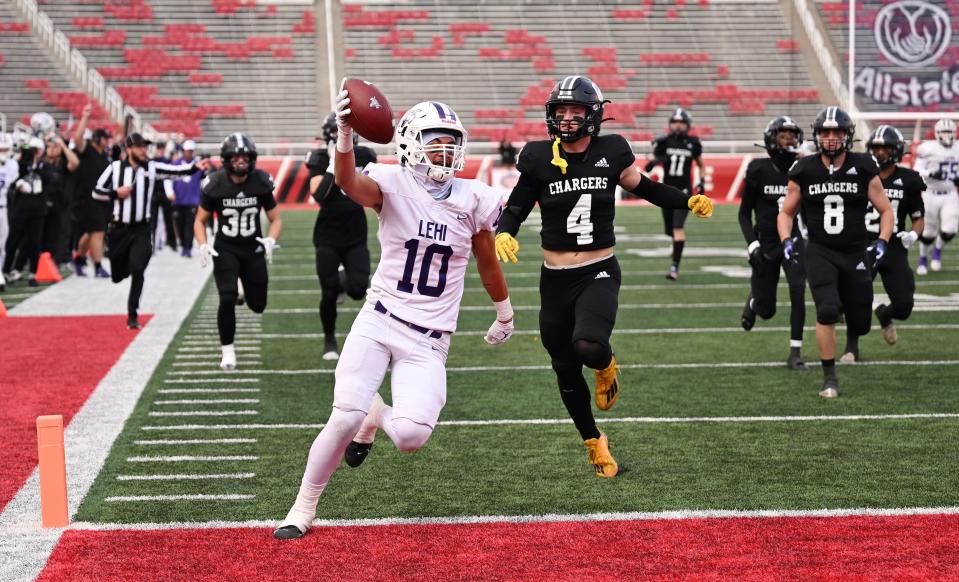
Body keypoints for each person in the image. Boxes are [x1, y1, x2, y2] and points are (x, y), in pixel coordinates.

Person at [274, 93, 514, 539]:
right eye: (434, 141)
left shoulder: (473, 197)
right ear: (408, 143)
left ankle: (376, 412)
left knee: (409, 436)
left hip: (429, 337)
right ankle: (302, 508)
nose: (444, 151)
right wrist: (345, 134)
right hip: (380, 317)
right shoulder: (390, 182)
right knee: (343, 415)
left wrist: (504, 312)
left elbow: (486, 260)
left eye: (450, 142)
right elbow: (346, 182)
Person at [494, 76, 713, 478]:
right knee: (563, 365)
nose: (568, 119)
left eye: (576, 111)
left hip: (598, 270)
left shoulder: (611, 151)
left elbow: (644, 186)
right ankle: (594, 443)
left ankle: (607, 364)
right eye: (561, 112)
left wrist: (686, 199)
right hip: (554, 277)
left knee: (588, 346)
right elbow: (518, 206)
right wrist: (503, 231)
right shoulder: (539, 157)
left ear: (593, 115)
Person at [777, 107, 893, 398]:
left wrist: (882, 241)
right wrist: (786, 240)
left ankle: (852, 311)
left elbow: (886, 210)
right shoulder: (804, 169)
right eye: (825, 132)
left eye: (836, 132)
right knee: (826, 311)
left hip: (855, 252)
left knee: (861, 323)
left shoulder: (864, 166)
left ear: (847, 135)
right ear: (816, 135)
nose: (830, 138)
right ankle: (830, 378)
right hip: (820, 251)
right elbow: (786, 213)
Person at [93, 133, 207, 329]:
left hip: (142, 228)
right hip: (119, 229)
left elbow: (176, 172)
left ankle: (132, 312)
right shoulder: (115, 168)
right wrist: (115, 193)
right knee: (118, 275)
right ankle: (124, 269)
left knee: (138, 269)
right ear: (129, 149)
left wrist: (195, 167)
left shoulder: (152, 168)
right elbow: (96, 192)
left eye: (145, 147)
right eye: (138, 147)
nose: (143, 150)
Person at [194, 134, 282, 370]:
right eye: (236, 156)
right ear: (226, 159)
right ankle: (227, 351)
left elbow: (275, 219)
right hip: (226, 247)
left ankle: (242, 288)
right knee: (226, 298)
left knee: (258, 305)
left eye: (245, 156)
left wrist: (271, 240)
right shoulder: (215, 184)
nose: (241, 161)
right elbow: (199, 221)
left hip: (253, 248)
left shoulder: (261, 182)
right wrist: (203, 244)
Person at [841, 125, 925, 362]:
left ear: (897, 150)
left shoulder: (909, 179)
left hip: (894, 246)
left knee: (905, 306)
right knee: (856, 297)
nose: (879, 153)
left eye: (885, 148)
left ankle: (885, 314)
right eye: (876, 148)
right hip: (864, 244)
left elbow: (918, 218)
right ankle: (851, 346)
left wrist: (914, 235)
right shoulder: (859, 174)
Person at [738, 116, 808, 370]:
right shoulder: (759, 169)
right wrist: (752, 245)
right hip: (766, 242)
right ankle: (755, 300)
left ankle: (795, 352)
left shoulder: (803, 168)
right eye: (783, 134)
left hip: (794, 240)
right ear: (771, 139)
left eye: (792, 134)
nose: (789, 139)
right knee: (767, 311)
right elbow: (744, 213)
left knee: (798, 291)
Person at [305, 113, 376, 360]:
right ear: (328, 136)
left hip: (355, 229)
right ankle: (329, 339)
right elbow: (319, 196)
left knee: (358, 289)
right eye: (335, 131)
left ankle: (344, 280)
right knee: (328, 290)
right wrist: (332, 165)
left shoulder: (365, 155)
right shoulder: (319, 157)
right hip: (328, 232)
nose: (341, 135)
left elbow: (370, 191)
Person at [645, 108, 705, 280]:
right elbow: (652, 163)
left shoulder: (693, 142)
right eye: (675, 122)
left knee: (678, 228)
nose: (678, 126)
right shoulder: (664, 142)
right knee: (670, 230)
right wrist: (653, 162)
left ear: (687, 125)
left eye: (681, 123)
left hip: (684, 192)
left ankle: (674, 267)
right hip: (665, 191)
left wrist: (700, 182)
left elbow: (701, 164)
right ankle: (675, 247)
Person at [3, 138, 54, 286]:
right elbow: (11, 179)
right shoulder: (18, 165)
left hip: (37, 210)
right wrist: (22, 161)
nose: (34, 153)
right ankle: (6, 270)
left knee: (34, 242)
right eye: (32, 150)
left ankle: (33, 273)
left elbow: (48, 179)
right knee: (13, 240)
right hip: (20, 209)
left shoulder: (44, 166)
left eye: (36, 150)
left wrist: (35, 166)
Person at [71, 104, 113, 278]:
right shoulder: (86, 150)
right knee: (97, 231)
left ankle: (79, 259)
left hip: (101, 198)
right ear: (98, 138)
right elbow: (78, 138)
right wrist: (85, 117)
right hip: (87, 198)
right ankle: (97, 265)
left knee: (92, 232)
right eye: (105, 138)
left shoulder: (104, 156)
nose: (107, 141)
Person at [912, 118, 959, 275]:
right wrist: (930, 173)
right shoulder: (928, 148)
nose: (947, 135)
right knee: (928, 233)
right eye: (944, 132)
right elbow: (916, 169)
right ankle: (923, 258)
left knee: (950, 230)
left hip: (950, 194)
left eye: (949, 132)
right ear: (937, 133)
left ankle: (937, 250)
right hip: (930, 194)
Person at [40, 133, 79, 266]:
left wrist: (62, 144)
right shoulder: (42, 163)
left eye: (55, 146)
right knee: (43, 234)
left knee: (60, 234)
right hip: (43, 204)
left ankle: (58, 260)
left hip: (61, 205)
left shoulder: (64, 163)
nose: (52, 148)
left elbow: (75, 163)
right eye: (49, 146)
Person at [171, 140, 203, 258]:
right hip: (178, 200)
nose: (189, 153)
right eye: (187, 151)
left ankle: (187, 247)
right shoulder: (176, 163)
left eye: (191, 151)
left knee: (190, 225)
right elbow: (169, 179)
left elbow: (204, 179)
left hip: (192, 200)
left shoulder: (198, 164)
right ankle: (183, 245)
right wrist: (170, 192)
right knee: (180, 224)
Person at [0, 133, 18, 291]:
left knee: (2, 244)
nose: (3, 152)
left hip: (3, 207)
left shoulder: (12, 165)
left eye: (5, 149)